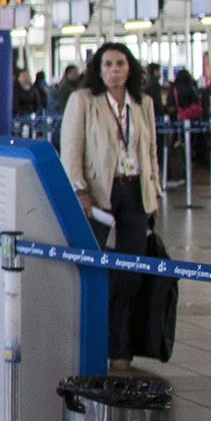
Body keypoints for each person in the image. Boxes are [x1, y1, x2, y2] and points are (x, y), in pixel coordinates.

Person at [60, 42, 159, 373]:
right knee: (96, 273)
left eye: (120, 63)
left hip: (134, 194)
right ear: (98, 70)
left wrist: (154, 193)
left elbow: (151, 151)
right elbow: (71, 149)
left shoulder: (142, 104)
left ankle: (121, 349)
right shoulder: (84, 102)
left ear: (130, 68)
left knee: (129, 275)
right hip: (101, 196)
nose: (115, 70)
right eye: (108, 65)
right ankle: (89, 345)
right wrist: (80, 192)